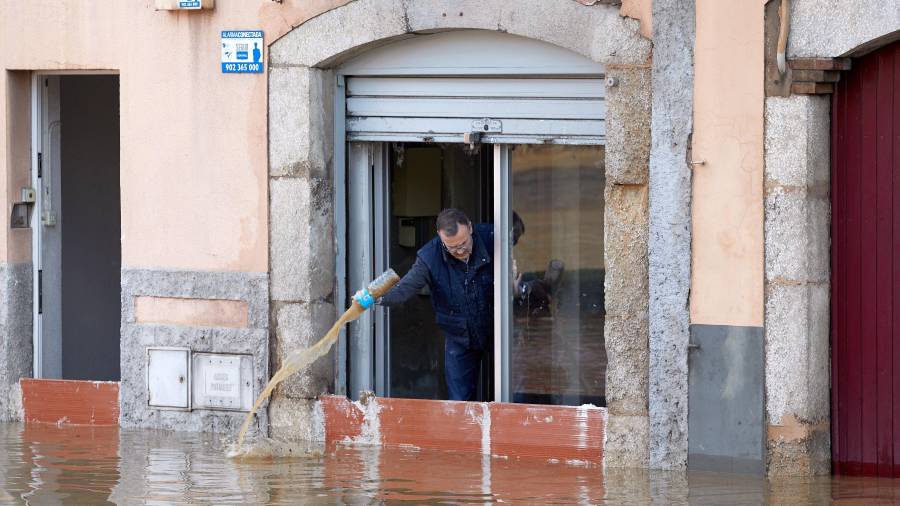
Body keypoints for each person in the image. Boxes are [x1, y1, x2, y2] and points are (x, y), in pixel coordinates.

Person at [355, 209, 494, 401]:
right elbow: (404, 288)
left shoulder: (493, 237)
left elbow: (517, 234)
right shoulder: (429, 257)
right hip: (459, 335)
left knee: (506, 392)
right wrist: (372, 296)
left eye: (464, 244)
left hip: (497, 329)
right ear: (440, 237)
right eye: (452, 248)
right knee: (460, 400)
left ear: (470, 228)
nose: (461, 251)